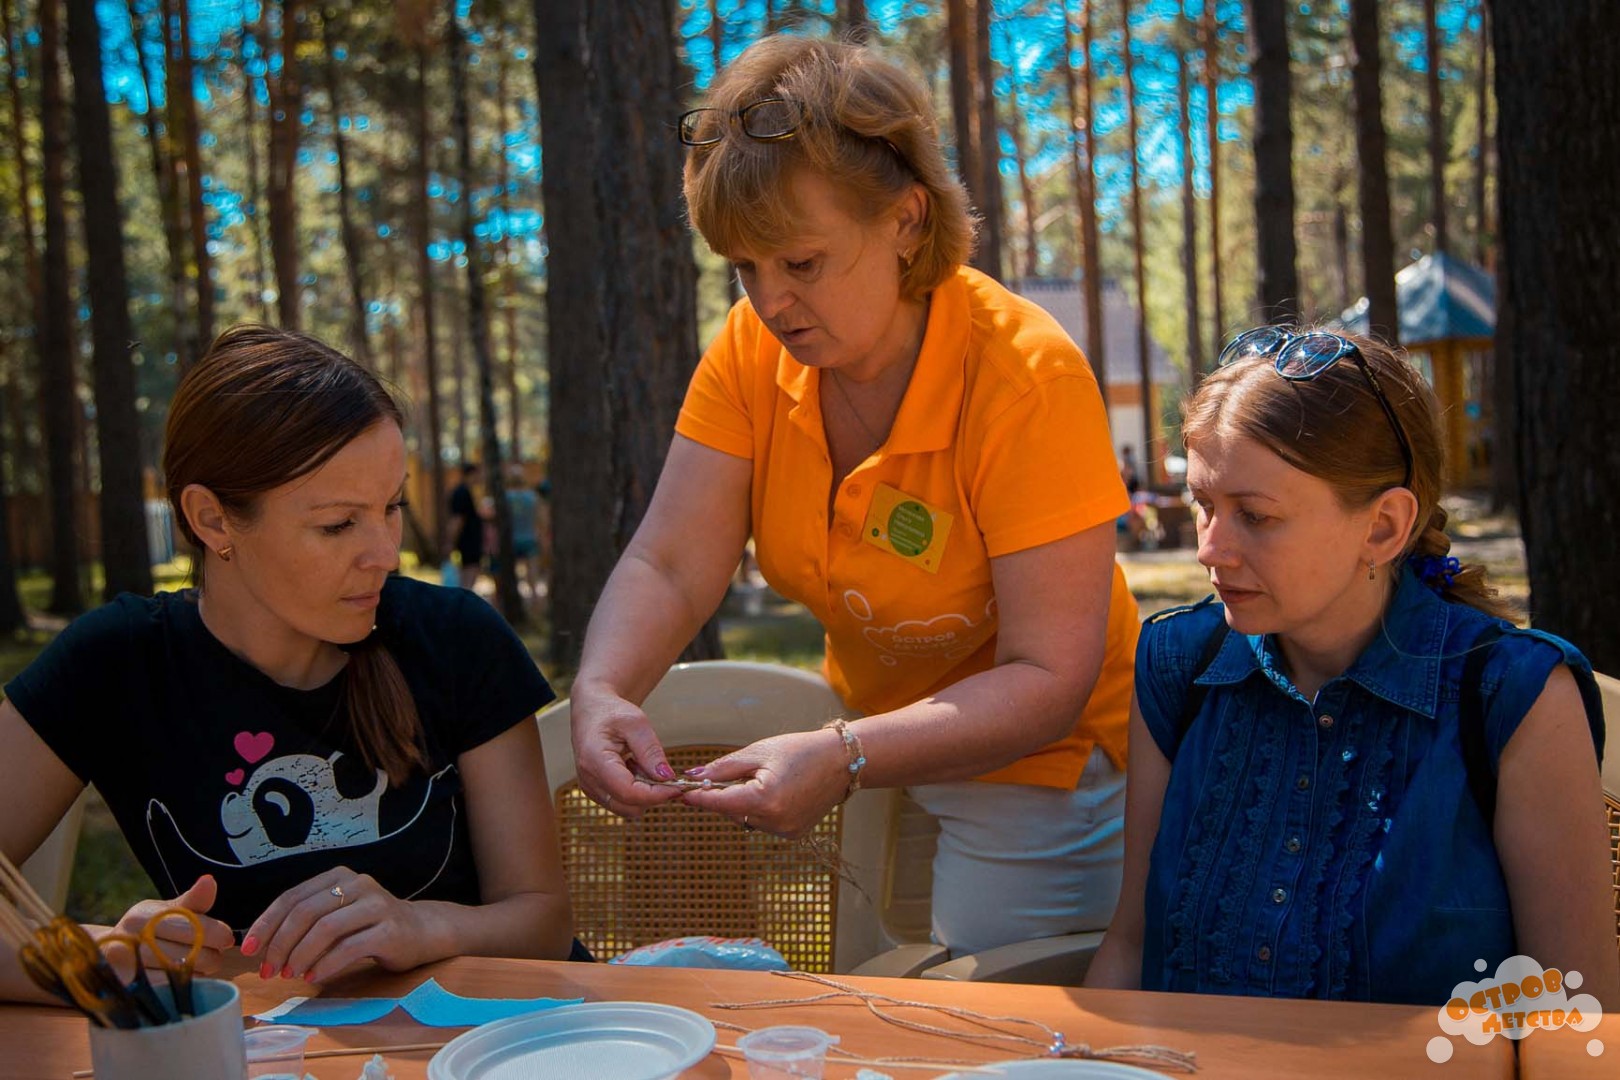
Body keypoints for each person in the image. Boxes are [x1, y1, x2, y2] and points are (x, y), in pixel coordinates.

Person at [568, 35, 1140, 957]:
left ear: (907, 219)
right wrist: (601, 688)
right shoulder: (751, 352)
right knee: (882, 994)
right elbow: (670, 563)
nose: (770, 303)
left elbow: (1048, 679)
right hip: (869, 743)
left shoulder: (1026, 379)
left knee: (995, 1011)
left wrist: (844, 753)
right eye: (745, 267)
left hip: (1044, 770)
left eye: (800, 262)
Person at [0, 326, 580, 1004]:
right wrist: (101, 963)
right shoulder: (115, 664)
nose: (385, 554)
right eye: (338, 525)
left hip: (489, 1037)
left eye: (391, 507)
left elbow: (543, 921)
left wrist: (423, 926)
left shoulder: (455, 638)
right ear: (212, 520)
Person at [1086, 326, 1619, 1007]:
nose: (1210, 550)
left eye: (1255, 516)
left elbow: (1574, 1017)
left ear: (1384, 526)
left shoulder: (1514, 697)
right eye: (1204, 505)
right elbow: (1131, 947)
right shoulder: (1179, 665)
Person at [447, 463, 483, 589]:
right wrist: (451, 541)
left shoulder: (467, 491)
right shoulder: (461, 493)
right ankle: (465, 593)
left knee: (471, 570)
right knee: (469, 572)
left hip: (470, 539)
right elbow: (457, 519)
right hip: (467, 540)